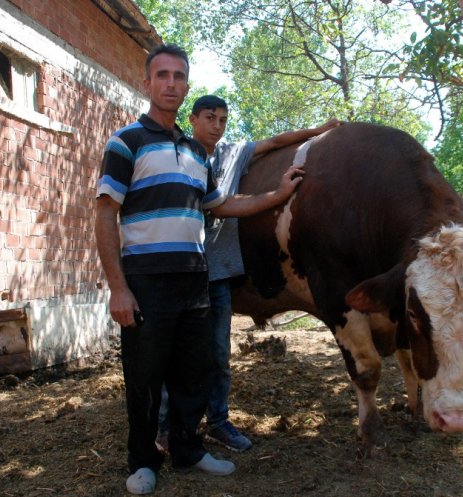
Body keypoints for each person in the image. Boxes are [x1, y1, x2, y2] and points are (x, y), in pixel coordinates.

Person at [95, 44, 305, 495]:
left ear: (186, 85)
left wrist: (277, 195)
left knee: (194, 372)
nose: (171, 83)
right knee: (146, 376)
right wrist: (118, 288)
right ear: (147, 83)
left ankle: (188, 449)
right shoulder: (126, 141)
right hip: (146, 281)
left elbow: (222, 205)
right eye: (162, 75)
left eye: (179, 76)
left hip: (195, 279)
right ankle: (143, 460)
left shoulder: (196, 152)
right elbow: (104, 214)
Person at [156, 95, 341, 453]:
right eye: (210, 117)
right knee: (175, 354)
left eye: (223, 119)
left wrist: (317, 131)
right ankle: (165, 425)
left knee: (218, 356)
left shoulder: (232, 153)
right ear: (192, 119)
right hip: (178, 270)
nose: (217, 125)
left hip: (218, 274)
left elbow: (274, 141)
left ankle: (219, 422)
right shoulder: (174, 154)